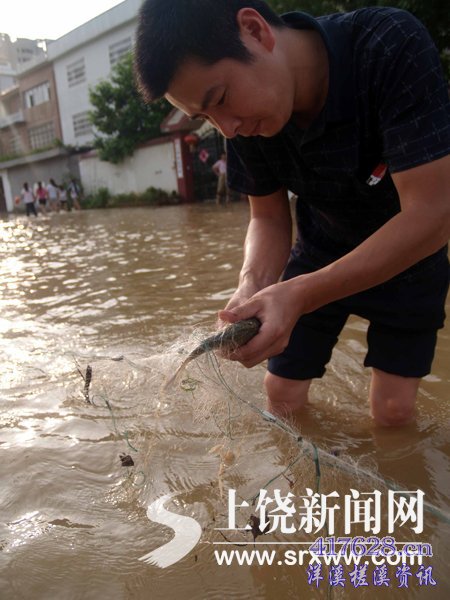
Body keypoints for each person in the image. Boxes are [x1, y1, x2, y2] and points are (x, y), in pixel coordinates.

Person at [135, 0, 450, 427]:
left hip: (410, 258)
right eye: (206, 116)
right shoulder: (243, 121)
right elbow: (267, 218)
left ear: (255, 30)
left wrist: (299, 294)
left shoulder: (388, 45)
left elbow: (433, 213)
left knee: (393, 412)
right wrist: (252, 285)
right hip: (320, 248)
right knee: (280, 394)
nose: (227, 128)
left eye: (220, 99)